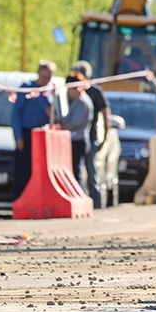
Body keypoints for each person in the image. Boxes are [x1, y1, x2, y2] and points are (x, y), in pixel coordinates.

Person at [10, 59, 56, 199]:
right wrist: (18, 136)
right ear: (38, 73)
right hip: (27, 134)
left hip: (42, 136)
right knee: (23, 170)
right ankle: (19, 199)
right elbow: (15, 113)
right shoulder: (27, 87)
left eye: (49, 77)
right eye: (44, 77)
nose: (46, 80)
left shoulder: (49, 91)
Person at [72, 60, 110, 208]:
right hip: (75, 138)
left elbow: (106, 114)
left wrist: (104, 137)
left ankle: (96, 204)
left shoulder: (95, 92)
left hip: (91, 137)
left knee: (92, 173)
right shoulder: (71, 89)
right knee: (77, 172)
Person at [58, 72, 95, 200]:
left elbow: (74, 122)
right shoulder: (76, 102)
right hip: (76, 140)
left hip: (79, 141)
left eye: (70, 89)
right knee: (74, 171)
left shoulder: (83, 102)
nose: (69, 93)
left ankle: (80, 196)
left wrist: (63, 126)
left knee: (77, 171)